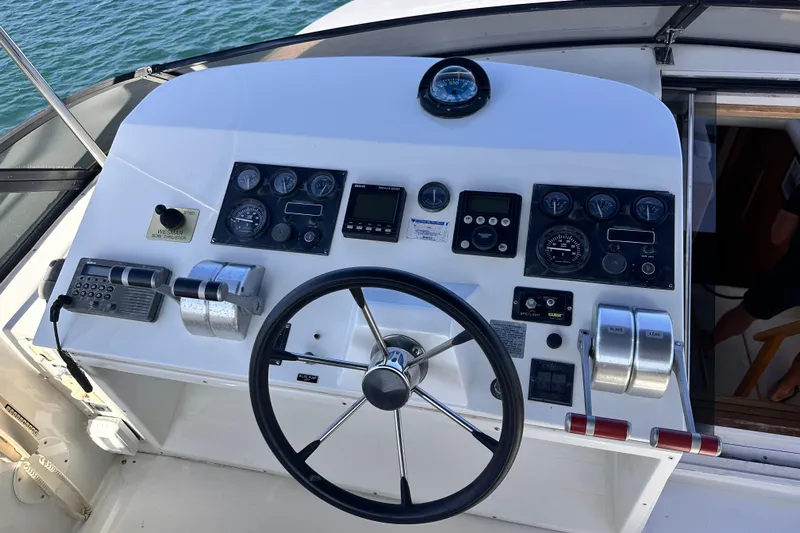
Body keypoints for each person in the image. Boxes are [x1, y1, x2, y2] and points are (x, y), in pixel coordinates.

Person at [704, 184, 800, 402]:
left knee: (746, 313)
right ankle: (788, 384)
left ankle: (708, 343)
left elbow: (778, 236)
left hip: (794, 275)